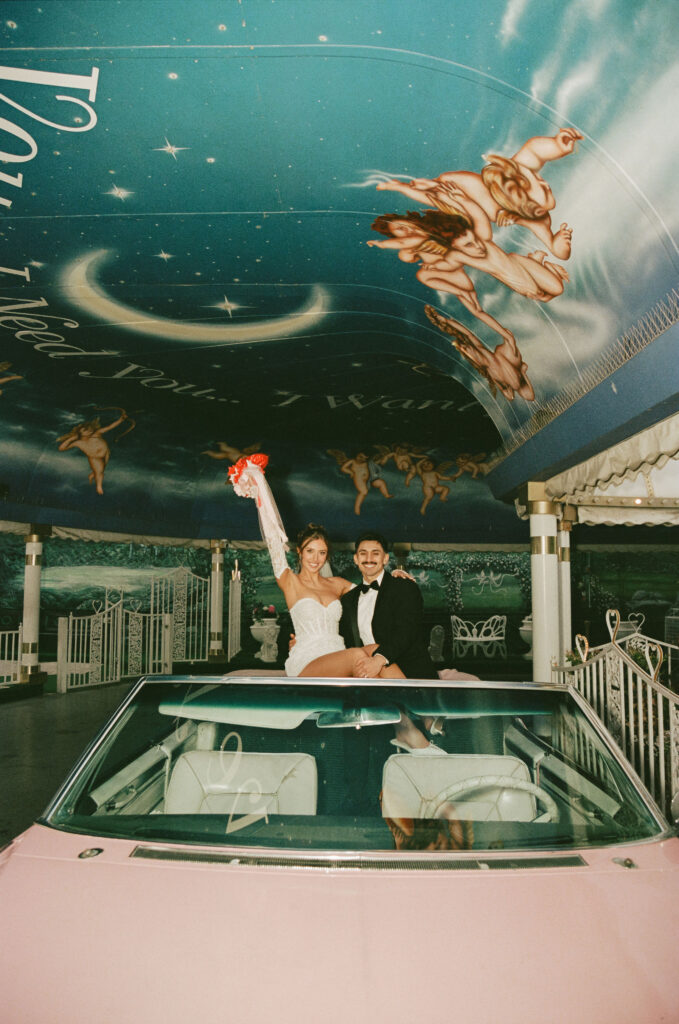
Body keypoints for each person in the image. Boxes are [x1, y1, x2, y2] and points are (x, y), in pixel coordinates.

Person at [229, 454, 408, 679]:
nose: (316, 558)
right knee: (357, 656)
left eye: (322, 553)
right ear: (300, 552)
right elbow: (273, 539)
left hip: (337, 656)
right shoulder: (290, 581)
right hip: (307, 660)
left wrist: (395, 576)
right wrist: (259, 486)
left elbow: (374, 588)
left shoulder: (337, 584)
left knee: (376, 650)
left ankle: (418, 711)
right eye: (310, 551)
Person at [339, 531, 438, 680]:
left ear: (385, 558)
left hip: (409, 674)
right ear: (356, 559)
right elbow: (340, 638)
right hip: (366, 676)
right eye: (363, 553)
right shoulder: (347, 600)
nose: (369, 559)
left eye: (375, 553)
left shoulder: (404, 587)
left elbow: (406, 631)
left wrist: (378, 660)